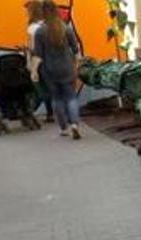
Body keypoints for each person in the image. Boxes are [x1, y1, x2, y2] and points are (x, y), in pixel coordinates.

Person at [31, 0, 82, 139]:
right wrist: (77, 65)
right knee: (71, 98)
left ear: (43, 12)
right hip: (67, 68)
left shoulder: (40, 32)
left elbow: (38, 55)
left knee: (57, 99)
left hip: (50, 70)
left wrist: (34, 71)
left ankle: (64, 128)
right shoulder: (66, 28)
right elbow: (76, 50)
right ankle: (75, 125)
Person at [25, 0, 53, 123]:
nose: (26, 13)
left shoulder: (32, 28)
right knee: (50, 85)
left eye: (27, 10)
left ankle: (30, 112)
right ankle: (52, 113)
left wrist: (25, 50)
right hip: (51, 58)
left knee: (40, 88)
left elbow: (32, 47)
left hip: (38, 60)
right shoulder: (48, 24)